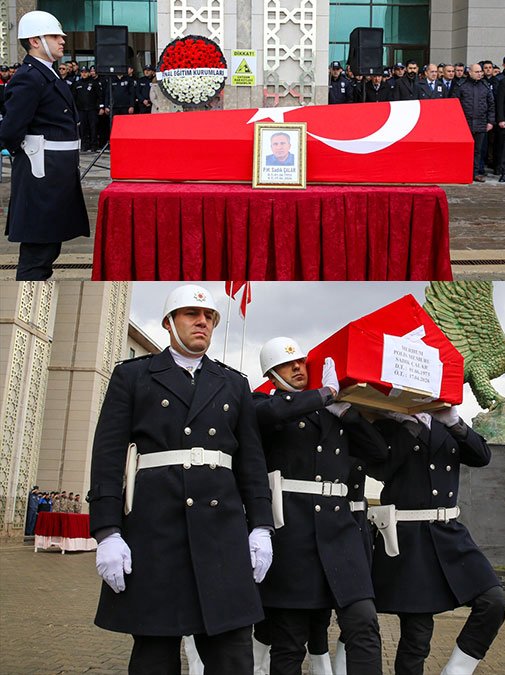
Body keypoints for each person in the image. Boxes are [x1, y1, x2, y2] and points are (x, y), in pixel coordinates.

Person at [86, 284, 273, 673]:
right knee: (155, 655)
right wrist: (107, 531)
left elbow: (251, 464)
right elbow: (107, 456)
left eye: (208, 317)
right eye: (191, 314)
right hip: (158, 532)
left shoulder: (234, 383)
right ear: (169, 323)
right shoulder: (134, 377)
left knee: (233, 655)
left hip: (222, 535)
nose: (202, 321)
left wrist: (261, 527)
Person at [252, 337, 387, 674]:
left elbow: (378, 453)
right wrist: (324, 394)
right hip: (294, 537)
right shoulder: (263, 404)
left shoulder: (331, 413)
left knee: (364, 623)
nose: (298, 368)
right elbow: (271, 413)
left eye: (301, 362)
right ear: (272, 372)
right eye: (288, 364)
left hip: (339, 534)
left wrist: (348, 414)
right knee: (290, 642)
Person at [367, 407, 505, 674]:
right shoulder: (385, 423)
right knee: (416, 635)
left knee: (494, 601)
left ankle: (457, 670)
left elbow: (482, 456)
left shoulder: (446, 424)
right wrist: (408, 427)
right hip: (409, 536)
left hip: (448, 532)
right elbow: (380, 469)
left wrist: (455, 423)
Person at [0, 10, 89, 280]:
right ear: (35, 41)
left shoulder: (46, 73)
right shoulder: (30, 76)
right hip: (41, 175)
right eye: (54, 36)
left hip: (54, 175)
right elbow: (11, 130)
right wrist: (32, 153)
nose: (62, 40)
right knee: (37, 254)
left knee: (49, 248)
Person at [455, 63, 495, 182]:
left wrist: (490, 122)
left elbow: (491, 105)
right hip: (464, 124)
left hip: (481, 123)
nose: (480, 74)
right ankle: (462, 172)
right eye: (477, 72)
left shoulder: (485, 86)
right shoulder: (461, 86)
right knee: (463, 151)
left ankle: (475, 172)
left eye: (480, 72)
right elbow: (455, 104)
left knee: (478, 150)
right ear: (470, 72)